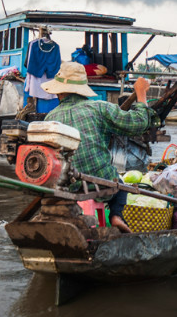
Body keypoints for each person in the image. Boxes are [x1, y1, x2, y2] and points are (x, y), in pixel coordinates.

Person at [42, 61, 154, 233]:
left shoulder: (50, 117)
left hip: (66, 187)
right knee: (120, 186)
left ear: (59, 92)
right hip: (102, 183)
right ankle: (116, 216)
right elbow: (139, 123)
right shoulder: (99, 108)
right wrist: (141, 95)